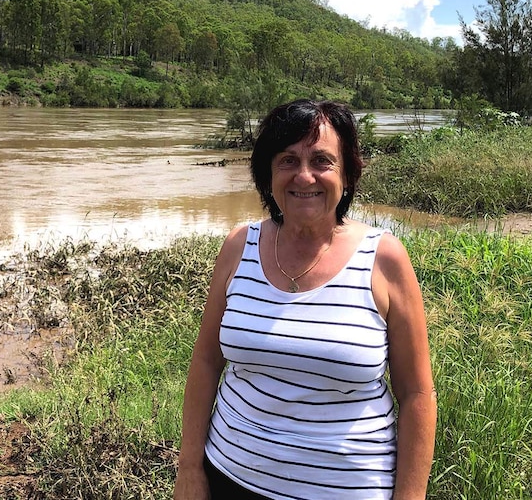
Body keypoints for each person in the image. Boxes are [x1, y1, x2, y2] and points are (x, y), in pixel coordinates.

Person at [174, 99, 436, 500]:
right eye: (288, 160)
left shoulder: (383, 258)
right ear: (269, 174)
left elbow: (417, 394)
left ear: (347, 174)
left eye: (322, 161)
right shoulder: (239, 246)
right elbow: (207, 361)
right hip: (229, 475)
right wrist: (190, 468)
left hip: (348, 489)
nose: (305, 176)